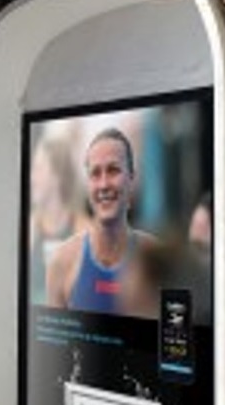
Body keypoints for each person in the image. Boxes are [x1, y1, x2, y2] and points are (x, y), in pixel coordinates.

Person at [45, 127, 159, 316]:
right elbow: (48, 335)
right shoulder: (62, 262)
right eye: (95, 173)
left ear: (131, 178)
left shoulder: (154, 259)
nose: (104, 184)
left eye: (113, 170)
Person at [28, 135, 87, 304]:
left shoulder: (84, 231)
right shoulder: (29, 228)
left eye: (38, 169)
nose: (32, 178)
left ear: (57, 175)